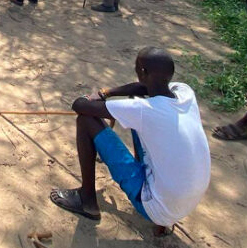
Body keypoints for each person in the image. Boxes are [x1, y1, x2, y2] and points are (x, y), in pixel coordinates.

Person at [50, 47, 210, 237]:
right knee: (140, 105)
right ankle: (161, 218)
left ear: (142, 72)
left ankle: (87, 200)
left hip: (158, 208)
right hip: (185, 203)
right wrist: (107, 93)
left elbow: (80, 105)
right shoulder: (185, 92)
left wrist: (94, 97)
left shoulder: (143, 110)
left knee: (86, 119)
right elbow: (144, 89)